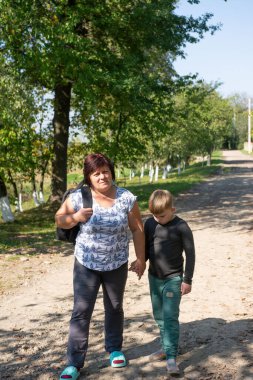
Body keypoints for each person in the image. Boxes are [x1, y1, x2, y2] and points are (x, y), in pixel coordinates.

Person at [55, 153, 146, 380]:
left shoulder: (126, 198)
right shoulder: (79, 197)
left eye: (105, 171)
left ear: (112, 172)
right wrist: (75, 217)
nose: (102, 176)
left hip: (116, 263)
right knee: (81, 311)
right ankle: (74, 363)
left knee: (115, 307)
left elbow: (137, 229)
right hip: (86, 264)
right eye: (96, 173)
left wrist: (141, 258)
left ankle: (114, 349)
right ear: (89, 177)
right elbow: (59, 219)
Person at [130, 189, 195, 375]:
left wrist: (187, 280)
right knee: (159, 316)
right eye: (154, 215)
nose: (157, 218)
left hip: (174, 279)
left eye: (162, 215)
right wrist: (140, 263)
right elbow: (148, 249)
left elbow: (190, 255)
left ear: (172, 209)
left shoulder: (182, 227)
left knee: (170, 317)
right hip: (154, 278)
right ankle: (165, 348)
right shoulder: (150, 224)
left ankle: (172, 356)